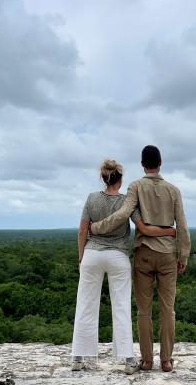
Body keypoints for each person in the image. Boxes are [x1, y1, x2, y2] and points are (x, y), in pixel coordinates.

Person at [90, 145, 191, 372]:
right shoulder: (173, 190)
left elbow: (123, 214)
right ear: (160, 164)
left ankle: (146, 360)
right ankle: (166, 360)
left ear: (143, 165)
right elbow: (182, 225)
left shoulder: (135, 186)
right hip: (167, 254)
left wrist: (97, 227)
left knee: (144, 310)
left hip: (144, 252)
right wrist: (183, 255)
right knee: (168, 309)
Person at [71, 159, 176, 375]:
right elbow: (143, 228)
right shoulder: (126, 202)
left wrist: (81, 257)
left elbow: (82, 230)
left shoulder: (91, 198)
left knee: (85, 305)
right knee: (121, 307)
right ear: (120, 180)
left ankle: (77, 358)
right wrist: (169, 231)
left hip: (92, 254)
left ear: (104, 178)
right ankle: (128, 360)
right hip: (118, 256)